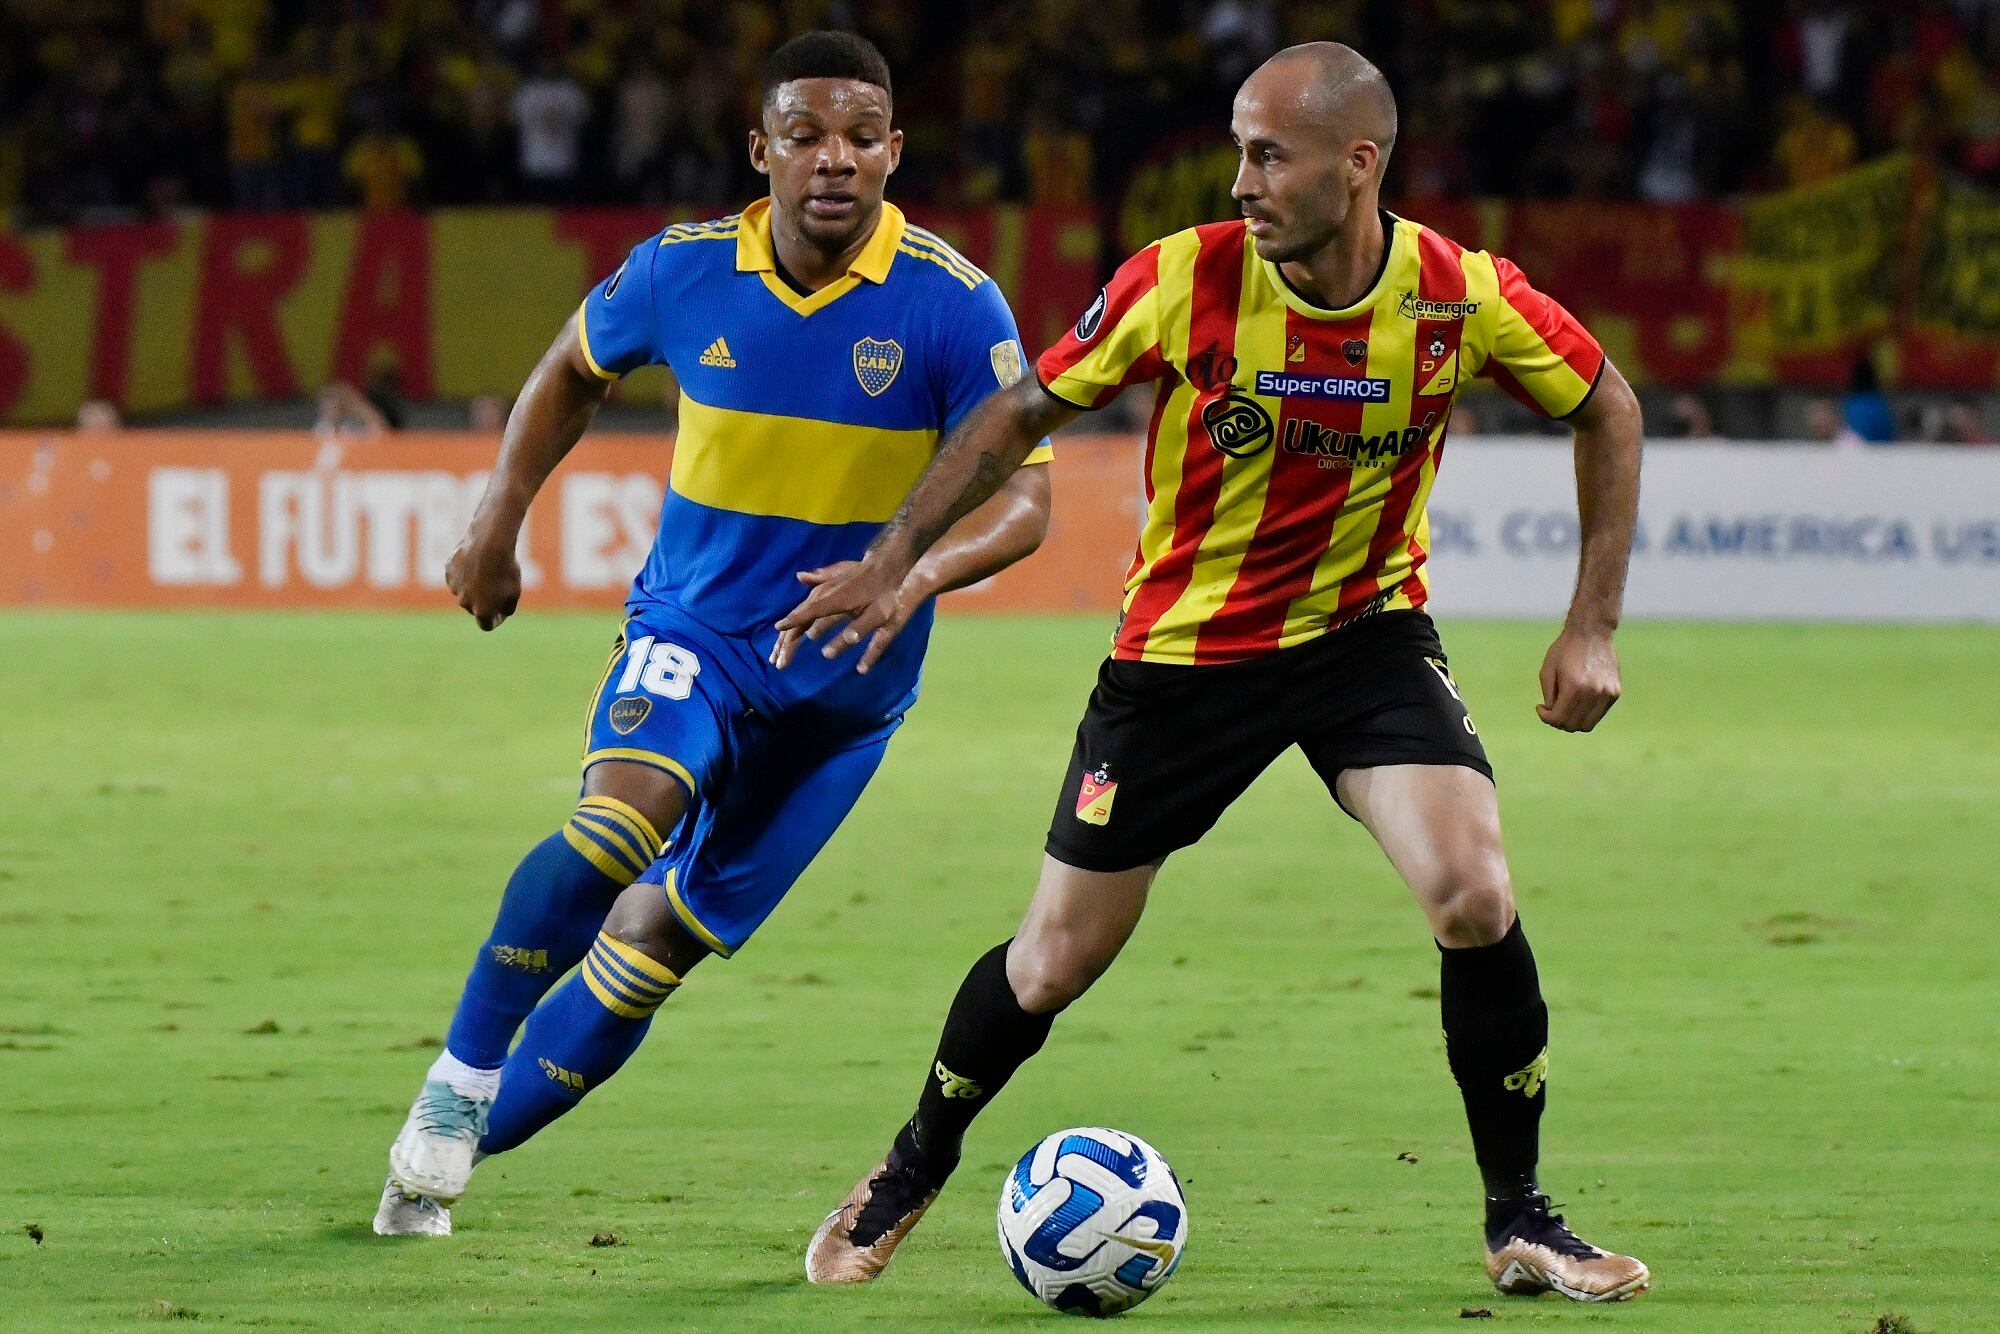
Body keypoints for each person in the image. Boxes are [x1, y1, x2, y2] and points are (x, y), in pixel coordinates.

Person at [785, 42, 1650, 1304]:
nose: (1239, 180)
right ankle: (910, 1162)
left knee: (1471, 890)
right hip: (1181, 660)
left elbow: (1607, 404)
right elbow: (1021, 411)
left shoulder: (1458, 294)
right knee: (1050, 962)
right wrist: (893, 553)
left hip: (1364, 640)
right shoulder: (1179, 279)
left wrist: (1591, 625)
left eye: (1267, 155)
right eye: (1236, 150)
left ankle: (1518, 1215)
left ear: (1357, 165)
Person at [374, 31, 1055, 1237]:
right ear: (763, 150)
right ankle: (458, 1078)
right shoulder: (683, 271)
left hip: (845, 694)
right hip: (697, 627)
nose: (832, 160)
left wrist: (903, 573)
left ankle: (439, 1169)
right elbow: (571, 369)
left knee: (653, 942)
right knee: (616, 820)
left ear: (893, 152)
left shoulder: (953, 304)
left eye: (858, 137)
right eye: (805, 135)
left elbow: (1027, 497)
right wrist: (496, 516)